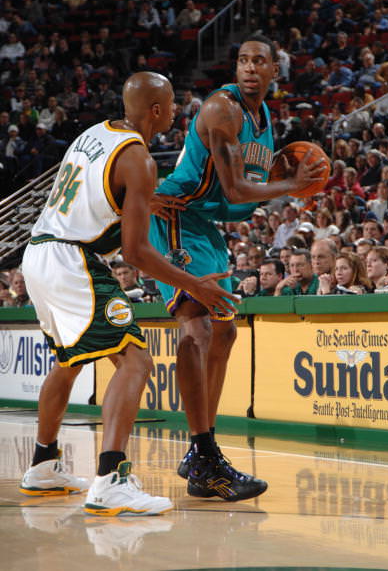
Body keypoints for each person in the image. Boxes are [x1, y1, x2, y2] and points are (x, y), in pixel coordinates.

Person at [19, 72, 238, 517]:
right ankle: (110, 479)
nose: (178, 110)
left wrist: (145, 199)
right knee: (135, 358)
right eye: (173, 103)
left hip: (38, 253)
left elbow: (96, 193)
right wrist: (193, 283)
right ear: (155, 111)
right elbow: (136, 252)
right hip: (72, 259)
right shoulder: (139, 158)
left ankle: (43, 464)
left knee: (68, 362)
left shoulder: (96, 133)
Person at [149, 35, 325, 501]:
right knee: (200, 326)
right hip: (175, 214)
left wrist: (288, 177)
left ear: (274, 71)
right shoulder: (221, 109)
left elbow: (245, 188)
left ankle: (199, 450)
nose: (249, 68)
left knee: (226, 331)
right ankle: (203, 451)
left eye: (259, 61)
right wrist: (290, 184)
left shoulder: (265, 119)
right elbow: (232, 190)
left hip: (205, 226)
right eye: (243, 60)